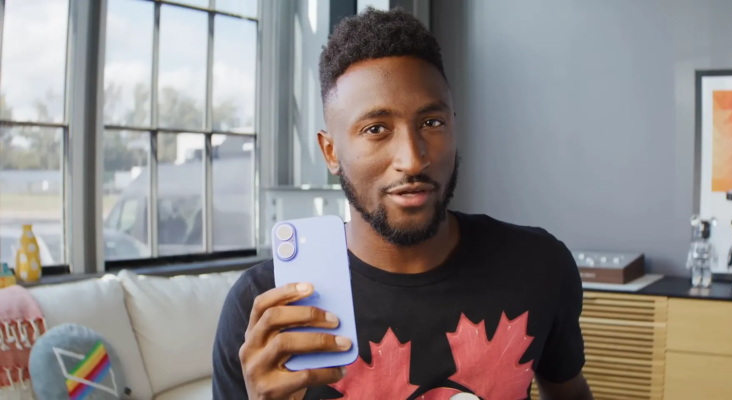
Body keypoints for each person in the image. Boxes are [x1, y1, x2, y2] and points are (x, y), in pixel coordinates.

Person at [213, 7, 592, 400]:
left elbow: (567, 392)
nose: (412, 159)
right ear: (330, 151)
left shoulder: (540, 265)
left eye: (432, 123)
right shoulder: (259, 309)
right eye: (376, 129)